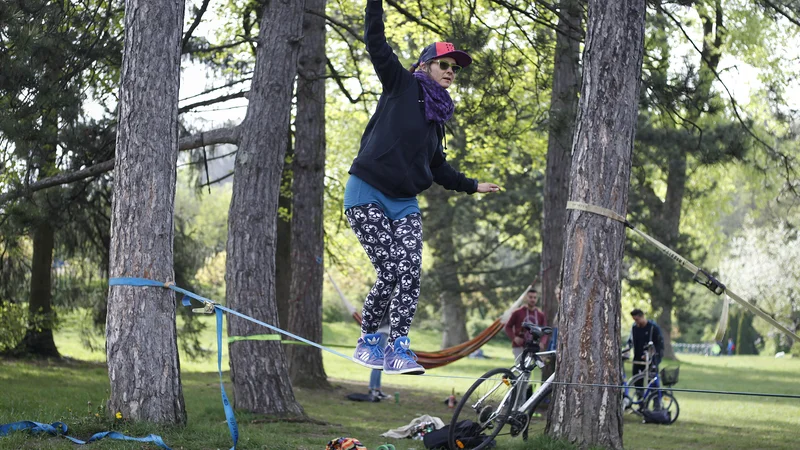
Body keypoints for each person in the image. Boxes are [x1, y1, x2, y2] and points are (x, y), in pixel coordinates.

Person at [347, 0, 501, 375]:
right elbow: (375, 40)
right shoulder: (400, 85)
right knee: (391, 270)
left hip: (403, 203)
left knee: (411, 269)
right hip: (366, 192)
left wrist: (471, 186)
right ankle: (369, 342)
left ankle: (399, 348)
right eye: (444, 65)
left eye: (454, 68)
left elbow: (436, 168)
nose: (450, 71)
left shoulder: (436, 119)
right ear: (424, 66)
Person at [624, 309, 664, 397]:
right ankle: (640, 400)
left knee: (652, 380)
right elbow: (630, 341)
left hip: (652, 359)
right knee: (637, 379)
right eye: (634, 320)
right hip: (638, 358)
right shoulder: (634, 328)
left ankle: (656, 402)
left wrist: (650, 355)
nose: (636, 322)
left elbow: (659, 345)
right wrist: (627, 350)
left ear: (642, 317)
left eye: (637, 319)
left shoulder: (653, 328)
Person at [504, 288, 547, 360]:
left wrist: (542, 342)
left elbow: (544, 330)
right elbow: (508, 327)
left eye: (534, 297)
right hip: (519, 346)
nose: (532, 299)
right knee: (520, 368)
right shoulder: (517, 312)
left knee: (528, 370)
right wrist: (514, 338)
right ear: (526, 298)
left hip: (533, 346)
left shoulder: (540, 315)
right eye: (530, 297)